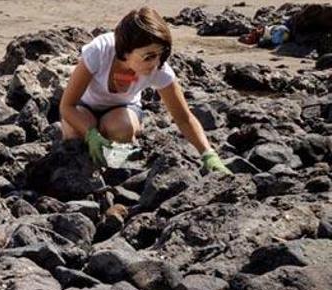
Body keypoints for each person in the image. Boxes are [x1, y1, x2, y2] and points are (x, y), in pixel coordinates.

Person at [59, 6, 232, 174]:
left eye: (161, 54)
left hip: (121, 111)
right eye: (148, 56)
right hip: (84, 107)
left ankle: (115, 169)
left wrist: (209, 154)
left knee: (120, 129)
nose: (156, 62)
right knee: (74, 135)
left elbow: (184, 118)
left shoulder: (159, 70)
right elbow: (67, 106)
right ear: (125, 52)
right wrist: (91, 134)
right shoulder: (100, 51)